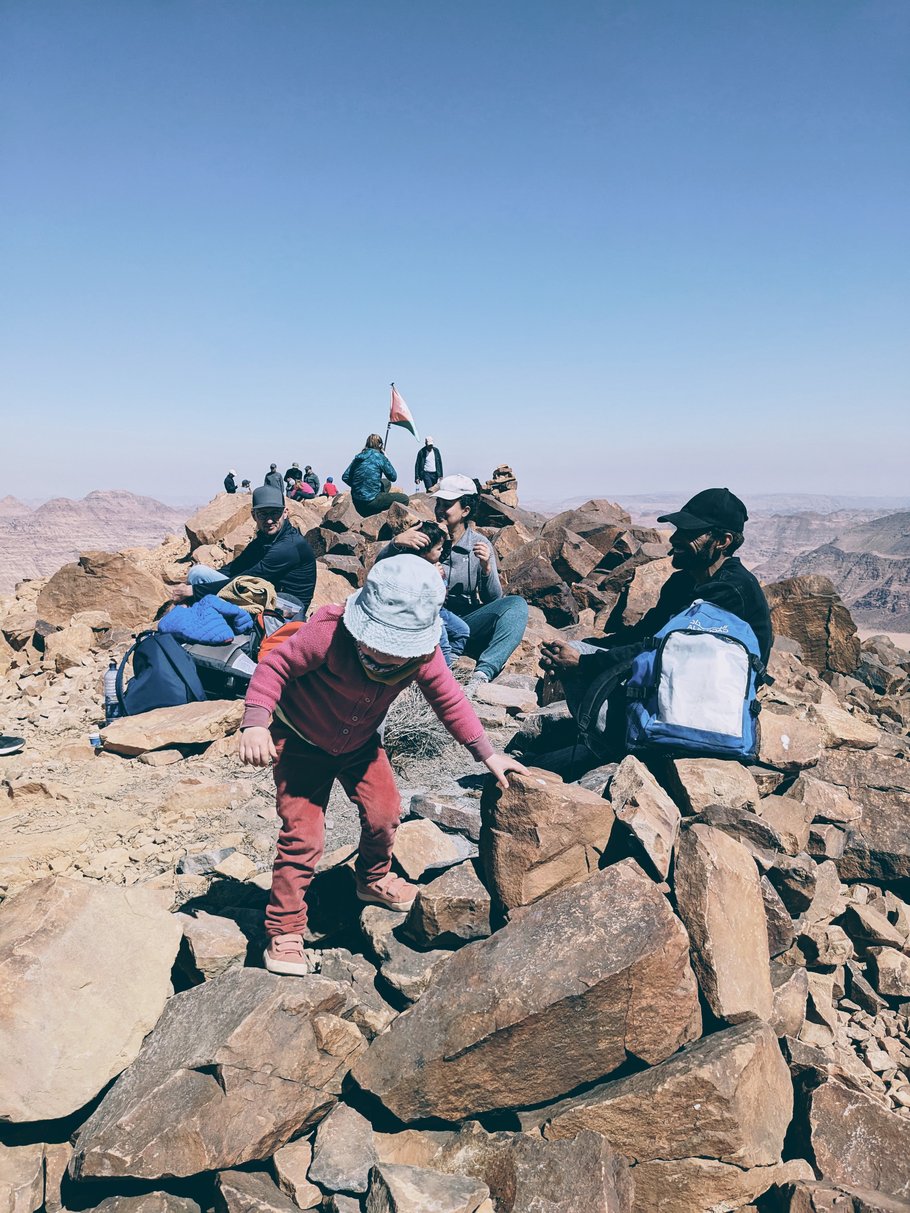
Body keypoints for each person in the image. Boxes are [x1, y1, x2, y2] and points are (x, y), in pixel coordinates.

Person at [239, 555, 527, 975]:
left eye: (399, 651)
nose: (389, 660)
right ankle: (284, 927)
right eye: (381, 646)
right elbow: (274, 666)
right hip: (299, 739)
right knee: (304, 836)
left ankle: (372, 878)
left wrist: (487, 753)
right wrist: (255, 723)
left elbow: (450, 701)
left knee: (385, 812)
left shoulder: (423, 654)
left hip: (358, 744)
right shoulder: (328, 634)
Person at [540, 487, 773, 757]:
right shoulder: (684, 581)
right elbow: (643, 636)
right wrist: (576, 649)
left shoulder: (732, 591)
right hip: (673, 685)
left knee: (581, 661)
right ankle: (617, 737)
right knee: (576, 651)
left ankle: (614, 749)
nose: (675, 538)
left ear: (723, 541)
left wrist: (583, 663)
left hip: (704, 704)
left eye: (689, 532)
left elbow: (660, 651)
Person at [387, 474, 528, 694]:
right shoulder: (425, 535)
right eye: (438, 504)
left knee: (517, 606)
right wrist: (395, 544)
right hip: (425, 619)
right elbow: (382, 572)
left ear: (465, 511)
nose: (440, 509)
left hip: (463, 624)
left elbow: (493, 599)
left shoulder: (480, 545)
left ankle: (482, 674)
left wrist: (486, 569)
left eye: (447, 504)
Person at [172, 485, 317, 617]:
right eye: (263, 514)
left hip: (288, 607)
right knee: (199, 573)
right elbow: (235, 567)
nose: (269, 520)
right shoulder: (265, 539)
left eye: (274, 513)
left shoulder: (289, 546)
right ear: (254, 515)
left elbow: (249, 577)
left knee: (198, 577)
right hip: (267, 595)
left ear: (285, 513)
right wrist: (200, 586)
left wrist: (195, 591)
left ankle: (187, 613)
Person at [377, 520, 471, 667]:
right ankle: (444, 672)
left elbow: (442, 550)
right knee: (444, 645)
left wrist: (444, 537)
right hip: (424, 612)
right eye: (438, 548)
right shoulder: (412, 567)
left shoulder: (434, 560)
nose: (442, 551)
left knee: (462, 631)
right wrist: (433, 577)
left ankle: (450, 665)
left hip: (440, 610)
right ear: (424, 551)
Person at [342, 434, 409, 517]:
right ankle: (381, 515)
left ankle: (378, 501)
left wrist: (358, 486)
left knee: (387, 483)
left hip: (357, 502)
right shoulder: (379, 457)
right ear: (380, 445)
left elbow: (345, 477)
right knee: (404, 499)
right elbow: (393, 477)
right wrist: (386, 459)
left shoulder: (358, 457)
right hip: (371, 502)